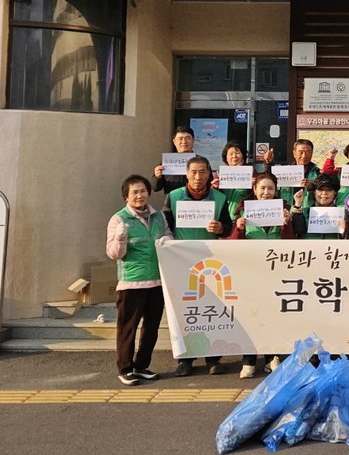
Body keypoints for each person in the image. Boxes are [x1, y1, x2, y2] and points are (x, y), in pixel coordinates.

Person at [167, 156, 231, 377]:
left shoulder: (220, 198)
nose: (197, 176)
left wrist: (221, 228)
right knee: (184, 311)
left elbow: (228, 227)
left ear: (209, 174)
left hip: (210, 263)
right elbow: (165, 227)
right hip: (180, 263)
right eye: (193, 172)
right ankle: (185, 360)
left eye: (202, 172)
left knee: (210, 310)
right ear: (187, 174)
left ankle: (213, 358)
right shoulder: (173, 197)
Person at [227, 172, 295, 378]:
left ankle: (272, 356)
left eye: (270, 188)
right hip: (251, 272)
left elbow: (291, 243)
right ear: (255, 190)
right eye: (262, 188)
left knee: (273, 315)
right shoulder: (242, 211)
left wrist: (287, 224)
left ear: (276, 191)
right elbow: (232, 245)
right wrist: (239, 229)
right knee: (251, 315)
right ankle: (248, 359)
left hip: (276, 272)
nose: (266, 192)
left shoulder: (283, 211)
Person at [106, 175, 169, 386]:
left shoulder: (158, 216)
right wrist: (120, 238)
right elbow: (114, 254)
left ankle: (141, 366)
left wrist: (167, 241)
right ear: (126, 196)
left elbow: (168, 235)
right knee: (128, 328)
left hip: (157, 281)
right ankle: (125, 369)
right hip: (132, 283)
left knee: (151, 328)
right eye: (134, 192)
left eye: (143, 191)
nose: (139, 195)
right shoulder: (118, 219)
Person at [292, 175, 343, 239]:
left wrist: (344, 232)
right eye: (320, 189)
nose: (324, 193)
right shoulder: (303, 212)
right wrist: (297, 206)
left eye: (329, 190)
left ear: (335, 193)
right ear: (314, 192)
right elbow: (294, 233)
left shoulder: (342, 214)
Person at [153, 126, 195, 198]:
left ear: (193, 140)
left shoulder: (200, 161)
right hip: (172, 200)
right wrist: (157, 177)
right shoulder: (167, 161)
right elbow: (155, 188)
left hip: (194, 201)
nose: (184, 142)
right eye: (180, 139)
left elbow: (209, 183)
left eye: (188, 138)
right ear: (174, 142)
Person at [214, 141, 252, 221]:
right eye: (231, 154)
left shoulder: (251, 172)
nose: (234, 156)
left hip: (244, 216)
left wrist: (254, 185)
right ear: (226, 158)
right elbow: (213, 195)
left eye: (237, 153)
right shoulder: (220, 174)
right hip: (224, 215)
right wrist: (215, 187)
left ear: (243, 155)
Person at [279, 138, 321, 208]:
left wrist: (311, 186)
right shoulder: (285, 172)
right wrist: (268, 164)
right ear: (294, 153)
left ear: (312, 153)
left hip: (308, 210)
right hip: (287, 209)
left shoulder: (317, 172)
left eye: (308, 152)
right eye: (301, 152)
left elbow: (322, 193)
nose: (304, 156)